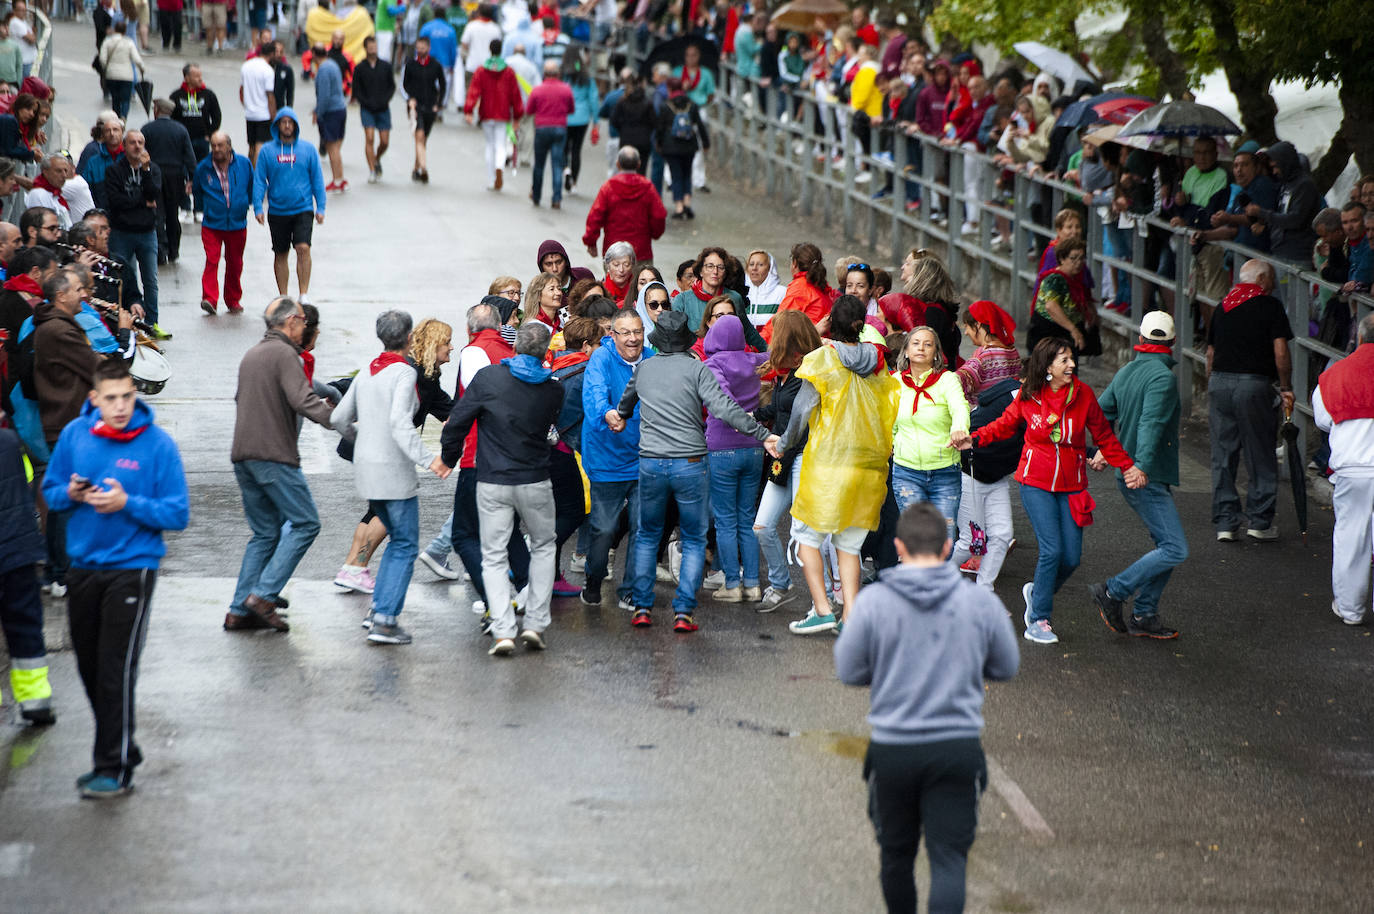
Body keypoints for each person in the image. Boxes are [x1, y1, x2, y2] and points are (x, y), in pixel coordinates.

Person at [834, 501, 1019, 914]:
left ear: (898, 546)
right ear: (948, 546)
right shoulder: (980, 604)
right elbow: (1006, 666)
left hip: (893, 750)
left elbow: (848, 670)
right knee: (949, 860)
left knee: (896, 856)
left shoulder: (874, 602)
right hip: (955, 749)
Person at [41, 358, 189, 798]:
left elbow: (177, 513)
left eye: (127, 396)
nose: (121, 406)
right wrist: (69, 493)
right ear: (95, 400)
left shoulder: (158, 445)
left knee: (115, 670)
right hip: (83, 566)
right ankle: (121, 743)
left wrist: (128, 502)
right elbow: (50, 491)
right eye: (112, 399)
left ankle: (113, 767)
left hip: (133, 568)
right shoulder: (74, 437)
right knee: (88, 667)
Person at [957, 338, 1144, 645]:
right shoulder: (1030, 396)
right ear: (1047, 367)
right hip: (1035, 483)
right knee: (1052, 550)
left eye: (1072, 359)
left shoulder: (1083, 395)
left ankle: (1037, 592)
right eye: (1064, 360)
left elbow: (1105, 436)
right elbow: (1005, 425)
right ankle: (1038, 618)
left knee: (1071, 558)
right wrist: (974, 439)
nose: (1071, 365)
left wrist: (1127, 466)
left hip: (1073, 486)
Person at [610, 310, 777, 631]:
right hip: (690, 464)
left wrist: (618, 416)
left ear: (658, 340)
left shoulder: (643, 368)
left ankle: (642, 607)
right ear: (685, 339)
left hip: (652, 463)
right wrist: (762, 434)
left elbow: (624, 406)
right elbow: (726, 409)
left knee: (646, 536)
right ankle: (684, 611)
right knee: (694, 537)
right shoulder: (697, 369)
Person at [775, 296, 900, 635]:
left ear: (830, 322)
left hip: (828, 464)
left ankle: (822, 609)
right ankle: (850, 617)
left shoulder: (821, 361)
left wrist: (782, 444)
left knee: (806, 537)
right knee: (849, 545)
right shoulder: (878, 361)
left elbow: (801, 413)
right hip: (869, 466)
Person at [441, 321, 564, 656]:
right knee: (543, 547)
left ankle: (503, 630)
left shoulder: (490, 378)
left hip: (493, 479)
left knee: (493, 556)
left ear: (516, 346)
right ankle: (536, 624)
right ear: (545, 352)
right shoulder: (553, 388)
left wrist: (449, 457)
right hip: (535, 479)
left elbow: (457, 423)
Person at [330, 311, 452, 645]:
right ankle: (384, 619)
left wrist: (364, 440)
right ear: (409, 337)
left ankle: (376, 609)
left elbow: (339, 417)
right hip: (392, 472)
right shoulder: (404, 373)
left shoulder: (370, 369)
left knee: (392, 533)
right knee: (404, 543)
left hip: (366, 469)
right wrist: (431, 460)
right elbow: (401, 423)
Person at [224, 297, 335, 634]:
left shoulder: (254, 353)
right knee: (306, 523)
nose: (306, 327)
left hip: (244, 454)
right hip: (272, 455)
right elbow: (303, 400)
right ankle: (263, 596)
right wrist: (343, 423)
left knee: (265, 533)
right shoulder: (286, 353)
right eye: (303, 321)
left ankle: (238, 609)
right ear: (291, 321)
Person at [1087, 311, 1186, 640]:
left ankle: (1145, 613)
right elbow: (1150, 424)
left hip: (1132, 471)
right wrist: (1139, 465)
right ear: (1172, 343)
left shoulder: (1127, 371)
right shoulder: (1162, 378)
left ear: (1141, 340)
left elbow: (1100, 413)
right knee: (1174, 548)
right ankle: (1114, 591)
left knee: (1165, 545)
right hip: (1145, 474)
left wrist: (1105, 449)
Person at [1207, 259, 1295, 542]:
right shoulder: (1270, 306)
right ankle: (1259, 521)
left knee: (1223, 454)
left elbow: (1210, 353)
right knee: (1260, 453)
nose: (1271, 285)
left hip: (1220, 382)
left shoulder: (1222, 306)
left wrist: (1214, 382)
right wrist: (1285, 386)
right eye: (1270, 279)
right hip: (1253, 385)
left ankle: (1225, 523)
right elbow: (1280, 352)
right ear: (1260, 280)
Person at [751, 310, 822, 609]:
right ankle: (782, 585)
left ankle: (828, 597)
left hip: (803, 456)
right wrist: (748, 417)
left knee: (807, 533)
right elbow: (780, 411)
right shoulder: (788, 373)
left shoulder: (813, 373)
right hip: (782, 457)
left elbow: (798, 418)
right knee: (763, 526)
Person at [579, 308, 649, 609]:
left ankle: (630, 590)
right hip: (607, 458)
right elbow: (595, 395)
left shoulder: (653, 358)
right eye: (626, 333)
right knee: (604, 529)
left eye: (638, 332)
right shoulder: (602, 359)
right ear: (613, 335)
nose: (633, 339)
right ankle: (593, 582)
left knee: (642, 526)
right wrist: (608, 413)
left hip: (646, 458)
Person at [949, 300, 1022, 587]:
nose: (967, 333)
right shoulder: (1013, 353)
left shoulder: (984, 355)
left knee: (968, 535)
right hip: (1006, 440)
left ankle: (934, 578)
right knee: (991, 530)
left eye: (969, 327)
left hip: (979, 438)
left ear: (980, 326)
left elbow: (960, 379)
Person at [703, 313, 772, 603]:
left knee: (725, 521)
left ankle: (732, 583)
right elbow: (774, 354)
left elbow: (722, 399)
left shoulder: (713, 364)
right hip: (755, 447)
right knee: (746, 518)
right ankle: (753, 583)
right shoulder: (755, 361)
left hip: (722, 448)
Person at [1314, 312, 1374, 627]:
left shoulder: (1337, 373)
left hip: (1353, 466)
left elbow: (1323, 419)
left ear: (1360, 338)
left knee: (1352, 537)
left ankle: (1350, 609)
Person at [891, 326, 969, 546]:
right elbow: (888, 421)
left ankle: (936, 581)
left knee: (945, 542)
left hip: (945, 472)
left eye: (928, 344)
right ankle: (918, 581)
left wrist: (959, 428)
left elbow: (959, 407)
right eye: (915, 343)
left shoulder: (947, 380)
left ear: (936, 353)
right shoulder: (894, 382)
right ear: (905, 351)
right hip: (906, 473)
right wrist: (889, 443)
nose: (921, 348)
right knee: (914, 541)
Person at [0, 419, 52, 725]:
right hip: (18, 551)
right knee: (25, 625)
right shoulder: (10, 442)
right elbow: (30, 480)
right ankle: (36, 701)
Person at [253, 108, 327, 305]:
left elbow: (317, 179)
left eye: (290, 122)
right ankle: (284, 296)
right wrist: (258, 207)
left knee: (303, 248)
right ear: (277, 126)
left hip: (302, 208)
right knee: (281, 253)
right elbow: (260, 180)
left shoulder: (308, 149)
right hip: (277, 210)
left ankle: (303, 294)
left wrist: (321, 207)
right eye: (283, 122)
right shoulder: (267, 151)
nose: (287, 126)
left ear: (295, 126)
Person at [105, 130, 165, 338]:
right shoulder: (115, 171)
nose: (137, 146)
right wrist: (142, 202)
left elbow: (154, 194)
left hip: (147, 232)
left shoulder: (153, 169)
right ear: (125, 146)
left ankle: (151, 323)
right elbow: (116, 201)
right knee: (124, 279)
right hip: (122, 232)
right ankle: (126, 321)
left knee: (151, 279)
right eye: (132, 143)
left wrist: (146, 170)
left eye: (141, 142)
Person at [194, 131, 252, 315]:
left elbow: (251, 186)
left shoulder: (243, 164)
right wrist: (205, 210)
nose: (216, 149)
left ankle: (233, 299)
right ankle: (209, 298)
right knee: (212, 259)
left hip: (237, 223)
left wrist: (244, 205)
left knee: (235, 263)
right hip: (212, 224)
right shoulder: (203, 168)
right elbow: (197, 192)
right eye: (213, 146)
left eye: (220, 145)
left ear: (229, 146)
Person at [582, 148, 665, 266]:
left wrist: (591, 241)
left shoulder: (608, 187)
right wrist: (655, 233)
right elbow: (659, 215)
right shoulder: (647, 187)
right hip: (640, 251)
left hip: (614, 252)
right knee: (641, 282)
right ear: (638, 164)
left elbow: (595, 216)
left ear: (617, 164)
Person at [139, 99, 197, 265]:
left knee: (158, 214)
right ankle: (174, 250)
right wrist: (192, 179)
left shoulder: (147, 129)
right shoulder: (180, 130)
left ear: (157, 110)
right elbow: (190, 157)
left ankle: (160, 251)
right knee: (173, 214)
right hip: (175, 177)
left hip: (154, 174)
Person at [464, 38, 525, 192]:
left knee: (489, 145)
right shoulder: (509, 71)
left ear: (490, 50)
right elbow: (515, 95)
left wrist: (468, 110)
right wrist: (517, 115)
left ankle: (492, 179)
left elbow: (474, 91)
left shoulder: (481, 70)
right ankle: (500, 167)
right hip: (503, 113)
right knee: (500, 144)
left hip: (486, 112)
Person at [1245, 140, 1320, 265]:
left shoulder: (1304, 185)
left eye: (1276, 166)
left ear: (1286, 162)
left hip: (1297, 256)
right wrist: (1266, 227)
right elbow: (1282, 214)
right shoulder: (1285, 184)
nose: (1274, 171)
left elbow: (1295, 219)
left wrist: (1261, 212)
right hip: (1280, 252)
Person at [170, 63, 223, 220]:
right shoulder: (176, 96)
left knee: (201, 174)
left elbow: (217, 116)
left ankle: (200, 208)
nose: (200, 78)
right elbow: (171, 118)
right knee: (182, 174)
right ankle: (184, 206)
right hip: (182, 143)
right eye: (196, 76)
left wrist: (210, 134)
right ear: (187, 78)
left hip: (201, 141)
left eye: (201, 75)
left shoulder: (208, 95)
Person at [655, 77, 708, 221]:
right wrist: (706, 143)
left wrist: (658, 143)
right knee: (687, 174)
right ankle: (687, 203)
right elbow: (700, 126)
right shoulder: (692, 105)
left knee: (676, 175)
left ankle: (679, 206)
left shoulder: (665, 107)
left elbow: (659, 128)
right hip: (689, 145)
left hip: (670, 146)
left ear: (670, 88)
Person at [525, 59, 574, 209]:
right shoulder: (566, 89)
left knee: (539, 164)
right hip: (559, 128)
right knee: (557, 164)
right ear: (558, 74)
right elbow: (571, 109)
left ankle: (537, 196)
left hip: (541, 128)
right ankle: (556, 198)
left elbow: (529, 110)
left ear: (544, 74)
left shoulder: (538, 90)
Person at [761, 242, 831, 341]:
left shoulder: (800, 287)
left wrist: (757, 346)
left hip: (806, 349)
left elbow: (780, 323)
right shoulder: (822, 287)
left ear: (794, 263)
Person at [402, 36, 447, 183]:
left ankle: (416, 168)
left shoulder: (435, 65)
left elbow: (443, 84)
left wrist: (438, 104)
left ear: (428, 48)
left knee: (423, 139)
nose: (420, 50)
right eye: (418, 47)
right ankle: (424, 168)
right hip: (415, 107)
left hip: (430, 106)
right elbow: (404, 84)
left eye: (423, 48)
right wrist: (410, 99)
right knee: (419, 136)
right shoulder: (411, 64)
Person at [353, 36, 397, 185]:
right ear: (365, 48)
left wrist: (385, 99)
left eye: (374, 46)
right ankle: (372, 170)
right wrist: (364, 101)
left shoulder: (385, 66)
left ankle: (376, 158)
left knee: (384, 141)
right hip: (367, 108)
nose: (372, 49)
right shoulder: (360, 68)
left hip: (383, 108)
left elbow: (392, 86)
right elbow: (356, 89)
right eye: (370, 46)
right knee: (370, 138)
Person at [311, 44, 349, 193]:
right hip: (340, 108)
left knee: (332, 147)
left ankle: (338, 180)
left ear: (314, 54)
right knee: (336, 148)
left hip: (331, 112)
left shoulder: (324, 69)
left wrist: (318, 113)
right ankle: (340, 178)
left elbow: (324, 95)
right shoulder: (332, 64)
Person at [561, 50, 599, 196]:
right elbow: (593, 99)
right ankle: (574, 182)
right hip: (582, 118)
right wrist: (595, 121)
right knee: (576, 150)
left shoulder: (563, 75)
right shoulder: (587, 77)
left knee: (564, 148)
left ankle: (565, 169)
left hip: (565, 116)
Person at [97, 22, 144, 120]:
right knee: (126, 99)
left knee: (115, 99)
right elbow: (137, 59)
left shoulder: (107, 41)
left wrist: (106, 67)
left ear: (115, 29)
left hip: (112, 75)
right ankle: (124, 117)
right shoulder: (129, 42)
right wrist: (142, 68)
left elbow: (102, 58)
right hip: (126, 76)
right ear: (125, 30)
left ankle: (116, 118)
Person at [241, 42, 278, 164]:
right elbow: (270, 96)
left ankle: (250, 173)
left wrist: (246, 105)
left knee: (251, 147)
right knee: (260, 147)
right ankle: (257, 176)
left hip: (249, 113)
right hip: (263, 114)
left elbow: (241, 90)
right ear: (271, 54)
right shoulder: (268, 70)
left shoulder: (246, 66)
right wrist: (274, 117)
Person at [24, 155, 72, 231]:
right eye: (59, 171)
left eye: (65, 171)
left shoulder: (56, 194)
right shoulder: (38, 194)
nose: (64, 175)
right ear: (45, 172)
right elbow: (44, 230)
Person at [743, 250, 785, 328]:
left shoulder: (782, 293)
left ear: (770, 268)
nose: (754, 268)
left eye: (760, 265)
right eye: (751, 264)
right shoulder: (741, 294)